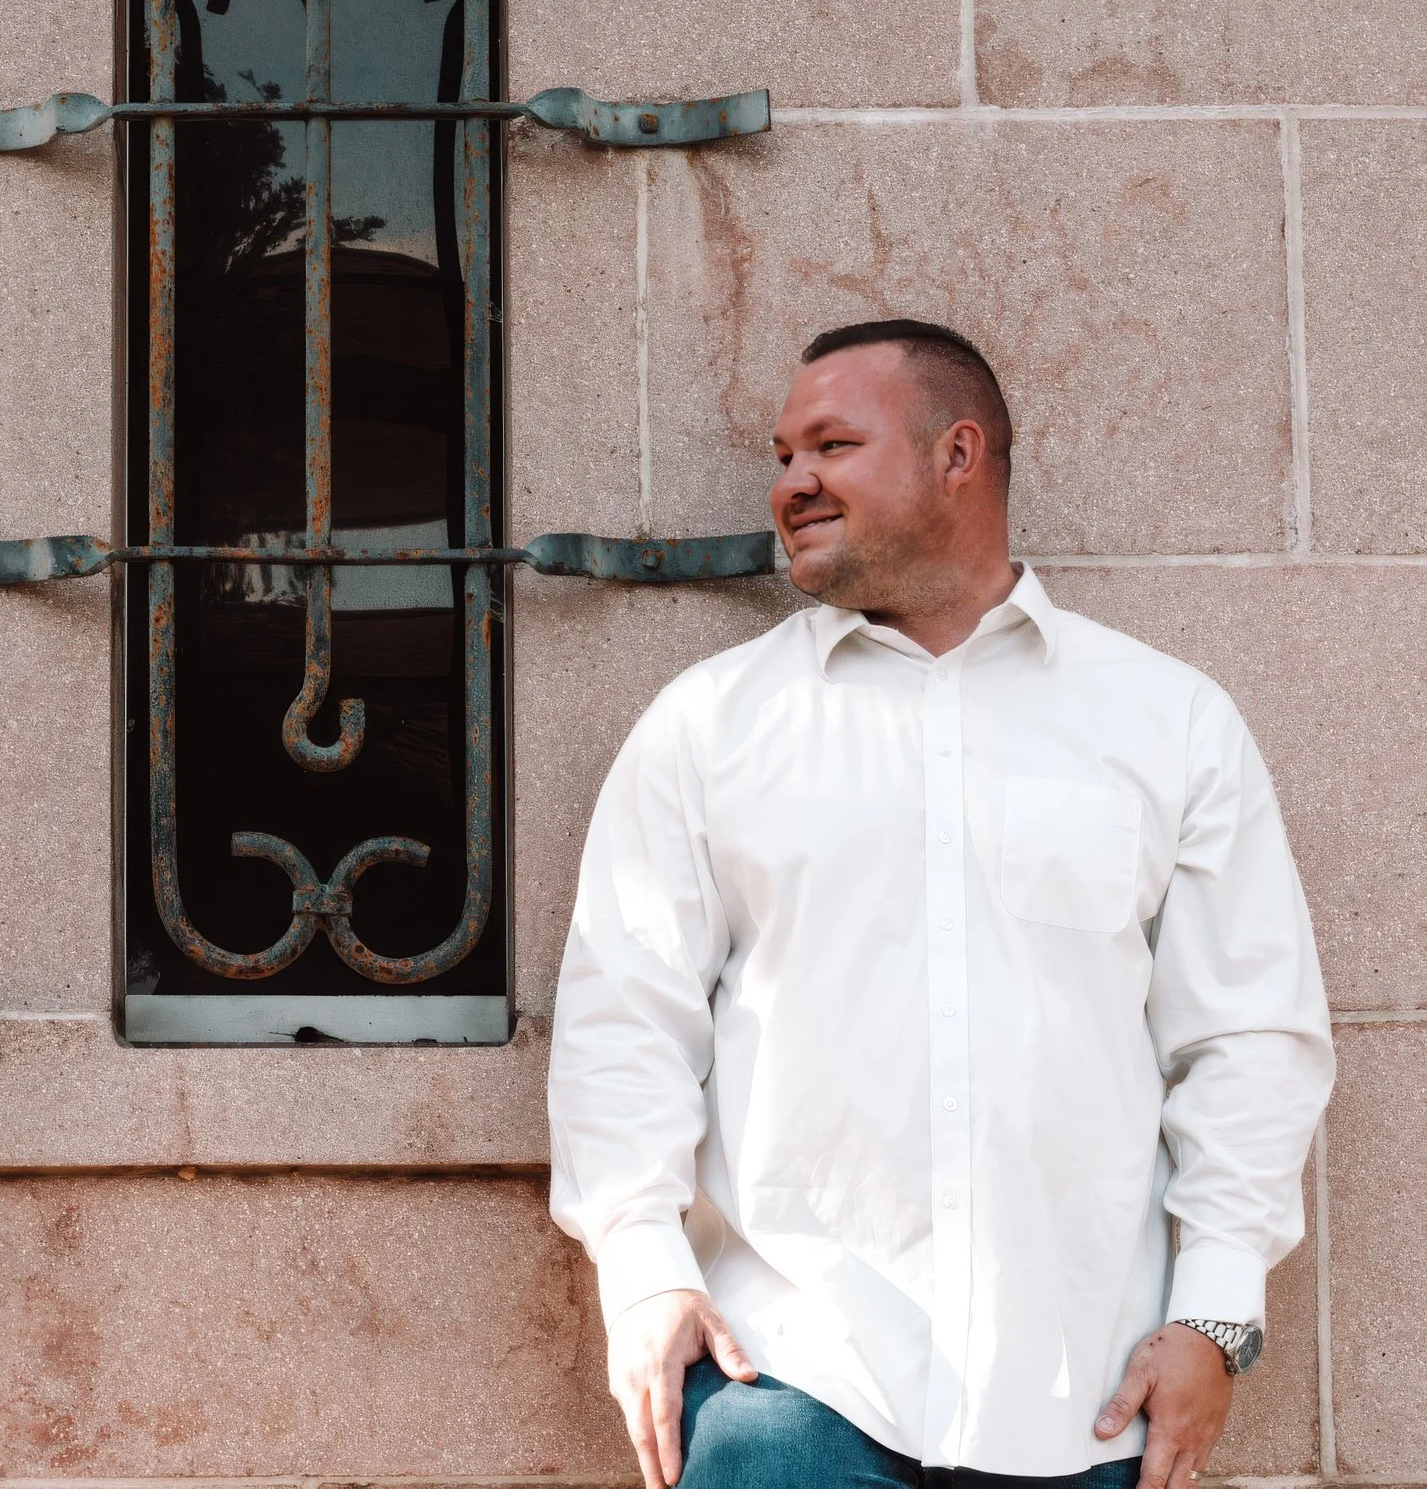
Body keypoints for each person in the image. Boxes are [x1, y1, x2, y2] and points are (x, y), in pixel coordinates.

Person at [547, 321, 1332, 1489]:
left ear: (957, 454)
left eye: (830, 443)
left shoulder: (1166, 722)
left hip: (1080, 1396)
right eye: (780, 454)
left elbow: (1248, 1038)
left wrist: (1215, 1315)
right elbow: (625, 1019)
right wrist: (643, 1267)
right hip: (787, 1384)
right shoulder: (709, 726)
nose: (788, 482)